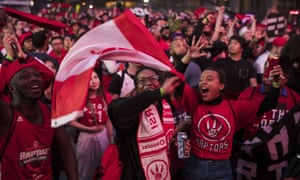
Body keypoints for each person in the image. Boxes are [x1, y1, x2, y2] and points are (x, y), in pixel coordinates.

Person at [181, 64, 283, 179]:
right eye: (201, 80)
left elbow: (269, 104)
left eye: (209, 79)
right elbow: (176, 81)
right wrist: (185, 59)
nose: (203, 82)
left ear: (221, 86)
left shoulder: (234, 108)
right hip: (195, 166)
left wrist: (276, 82)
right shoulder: (195, 102)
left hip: (221, 168)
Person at [0, 30, 77, 180]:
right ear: (11, 88)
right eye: (25, 77)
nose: (34, 79)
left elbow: (66, 150)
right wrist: (8, 59)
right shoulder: (7, 114)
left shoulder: (48, 112)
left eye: (36, 75)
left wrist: (26, 56)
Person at [108, 66, 188, 180]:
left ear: (160, 83)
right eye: (142, 81)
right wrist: (159, 92)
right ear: (135, 88)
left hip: (165, 171)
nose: (148, 83)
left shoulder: (165, 106)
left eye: (153, 79)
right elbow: (114, 109)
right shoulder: (130, 108)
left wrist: (173, 142)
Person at [231, 58, 300, 180]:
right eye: (266, 70)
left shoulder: (295, 99)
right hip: (249, 162)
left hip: (279, 165)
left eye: (274, 72)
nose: (268, 75)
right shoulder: (248, 94)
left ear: (286, 78)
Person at [68, 69, 114, 180]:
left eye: (96, 77)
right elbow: (71, 121)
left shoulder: (106, 97)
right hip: (85, 137)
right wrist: (89, 129)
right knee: (84, 170)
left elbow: (108, 120)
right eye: (89, 79)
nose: (94, 81)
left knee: (103, 166)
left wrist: (111, 138)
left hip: (103, 135)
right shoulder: (79, 98)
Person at [214, 35, 257, 99]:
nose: (232, 45)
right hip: (223, 98)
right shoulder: (220, 62)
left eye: (235, 43)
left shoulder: (248, 65)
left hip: (241, 99)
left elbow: (253, 84)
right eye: (230, 43)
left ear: (241, 48)